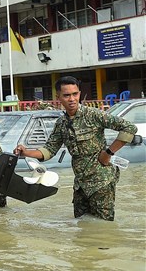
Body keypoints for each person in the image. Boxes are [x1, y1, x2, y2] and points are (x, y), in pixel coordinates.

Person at [14, 76, 137, 221]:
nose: (72, 99)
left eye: (75, 94)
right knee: (81, 225)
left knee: (103, 228)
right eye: (66, 95)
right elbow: (49, 150)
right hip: (80, 185)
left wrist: (108, 153)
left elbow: (129, 128)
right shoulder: (62, 123)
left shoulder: (93, 115)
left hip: (102, 181)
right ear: (58, 97)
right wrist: (26, 152)